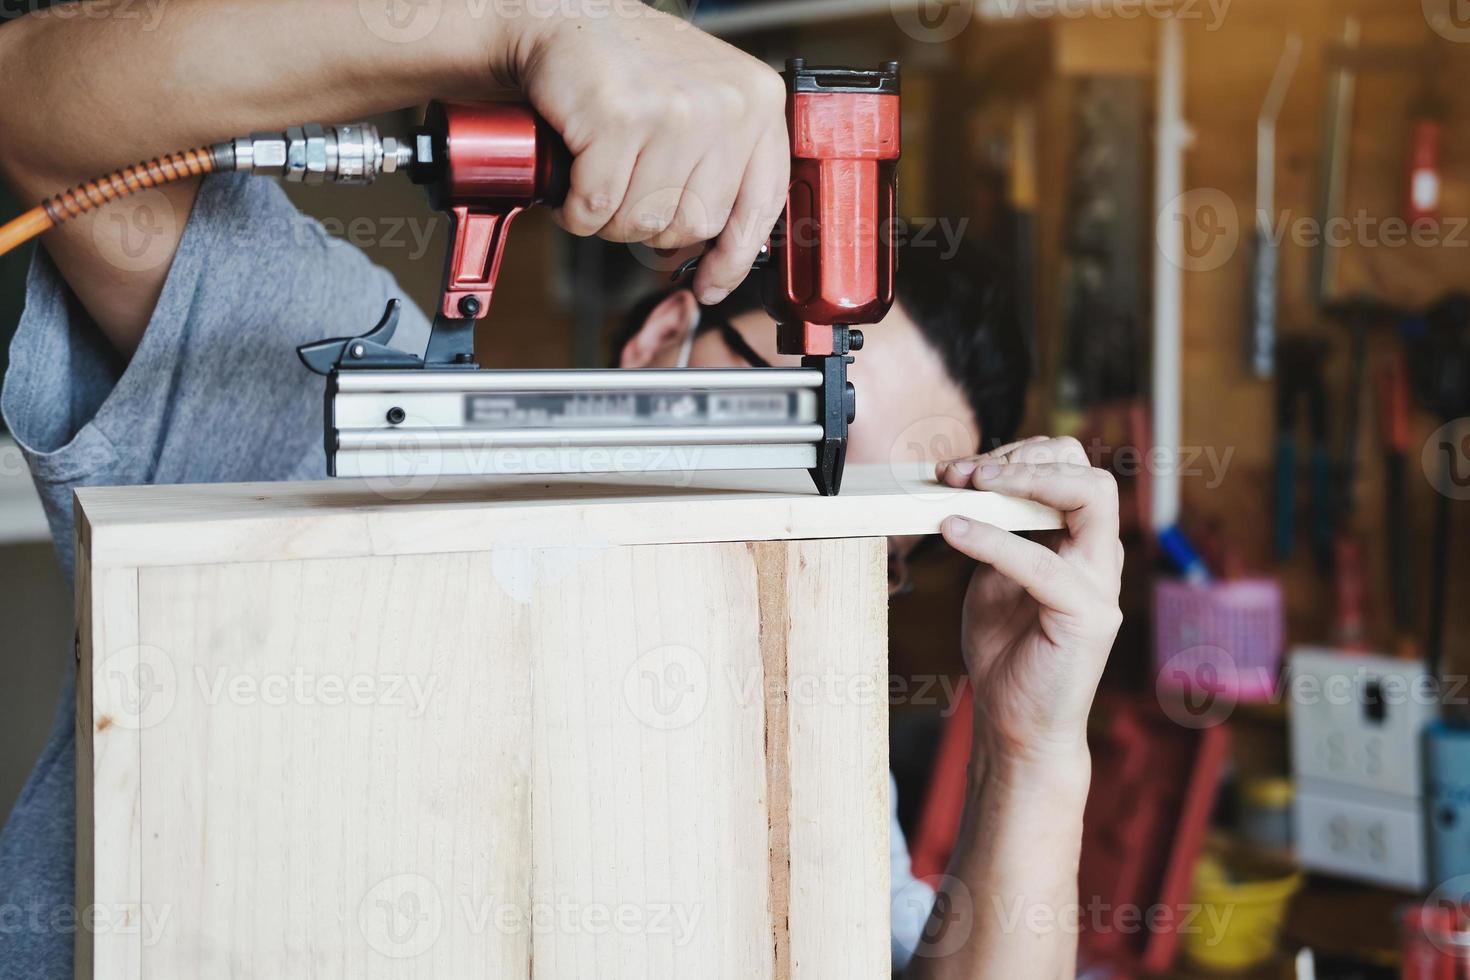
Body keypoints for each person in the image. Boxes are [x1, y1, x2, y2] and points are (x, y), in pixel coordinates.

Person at [0, 3, 1123, 978]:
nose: (815, 513)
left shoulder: (797, 715)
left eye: (879, 524)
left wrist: (1033, 749)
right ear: (668, 331)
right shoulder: (318, 391)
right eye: (800, 417)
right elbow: (31, 102)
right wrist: (530, 24)